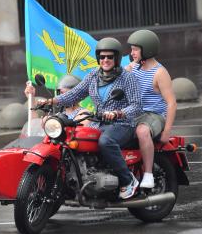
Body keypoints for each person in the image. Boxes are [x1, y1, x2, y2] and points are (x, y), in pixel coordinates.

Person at [39, 37, 142, 199]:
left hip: (122, 124)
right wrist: (51, 101)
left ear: (116, 58)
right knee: (76, 139)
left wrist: (118, 113)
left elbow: (137, 105)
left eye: (109, 57)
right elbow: (74, 94)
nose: (105, 60)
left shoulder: (127, 78)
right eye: (102, 57)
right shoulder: (93, 76)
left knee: (105, 142)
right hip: (99, 122)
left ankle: (128, 180)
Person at [126, 29, 177, 188]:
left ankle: (148, 174)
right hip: (135, 113)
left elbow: (171, 103)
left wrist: (166, 132)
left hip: (154, 115)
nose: (132, 52)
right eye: (131, 49)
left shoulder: (160, 72)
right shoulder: (133, 67)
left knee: (142, 131)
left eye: (135, 49)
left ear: (146, 49)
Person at [24, 74, 90, 125]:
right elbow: (35, 126)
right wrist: (31, 98)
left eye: (63, 93)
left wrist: (52, 123)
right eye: (59, 93)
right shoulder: (58, 115)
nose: (60, 96)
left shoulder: (84, 114)